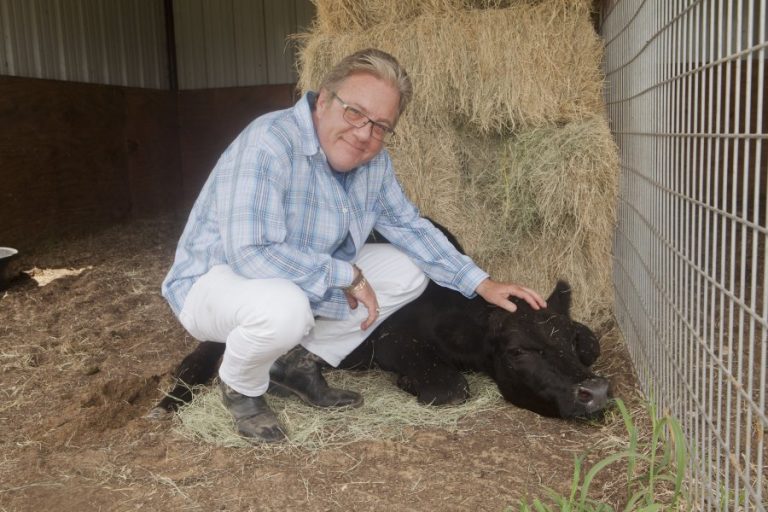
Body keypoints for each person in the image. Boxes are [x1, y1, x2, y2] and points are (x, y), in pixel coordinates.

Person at [161, 48, 546, 443]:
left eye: (381, 125)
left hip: (292, 275)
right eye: (354, 112)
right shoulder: (269, 142)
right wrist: (346, 275)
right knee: (283, 309)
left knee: (408, 270)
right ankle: (241, 386)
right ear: (324, 100)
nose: (365, 133)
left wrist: (482, 283)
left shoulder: (373, 164)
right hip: (217, 282)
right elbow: (251, 254)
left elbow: (407, 225)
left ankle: (294, 363)